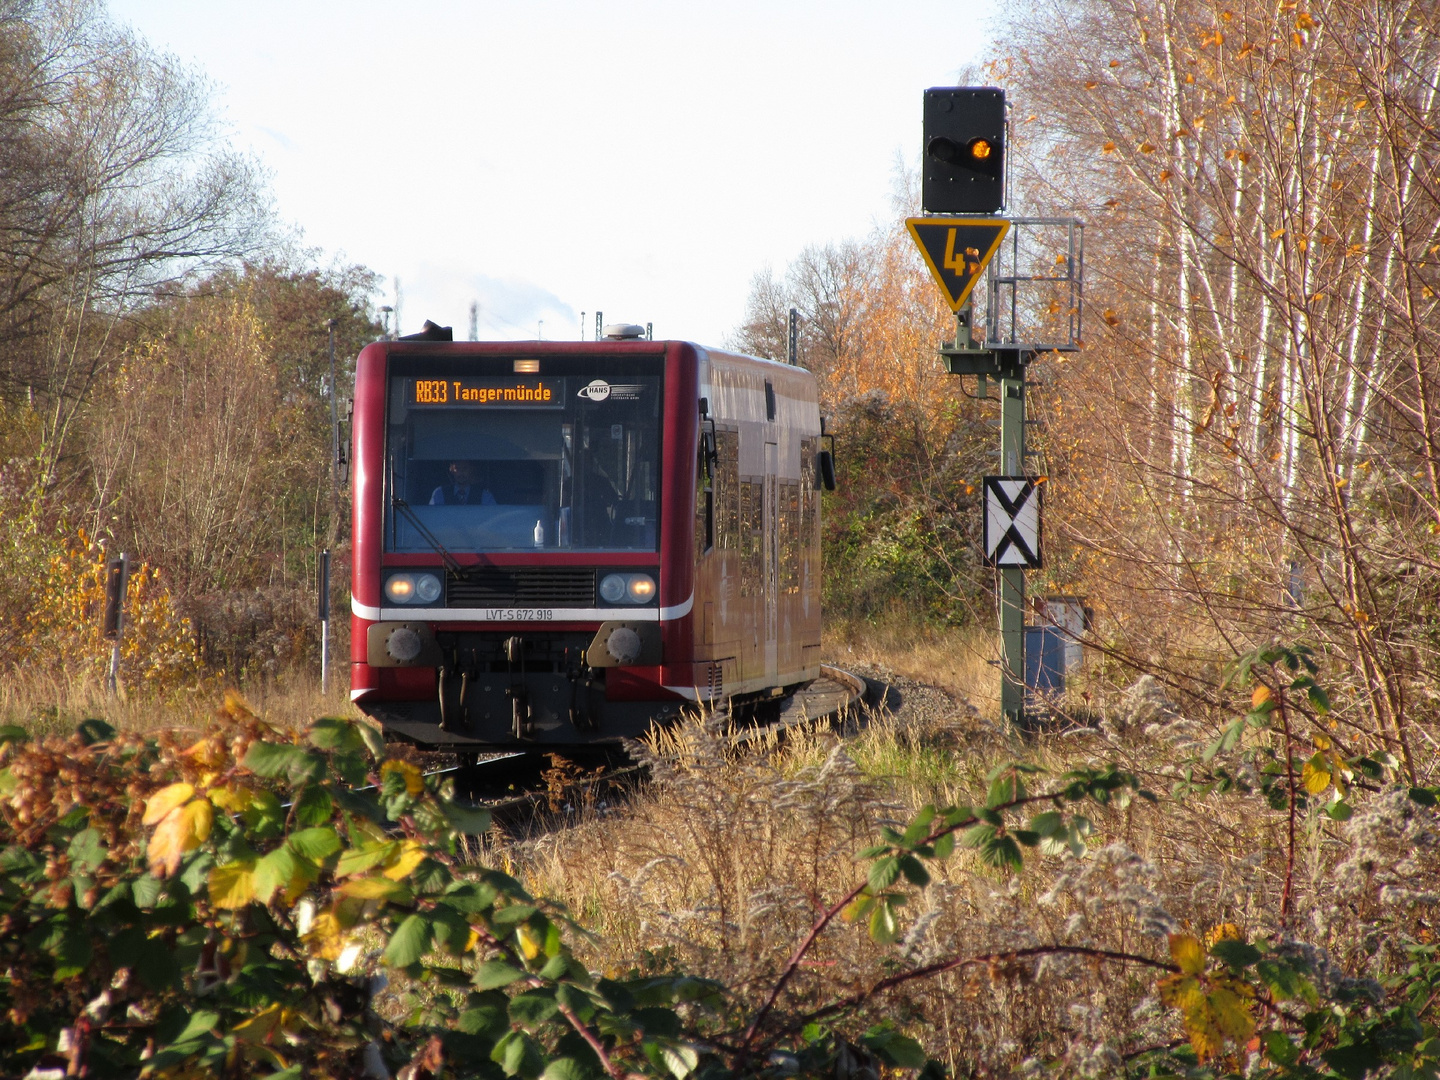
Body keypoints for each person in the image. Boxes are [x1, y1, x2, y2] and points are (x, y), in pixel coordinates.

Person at [430, 461, 495, 505]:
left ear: (470, 470)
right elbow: (433, 516)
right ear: (451, 470)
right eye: (457, 469)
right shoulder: (439, 493)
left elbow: (494, 517)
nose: (461, 473)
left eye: (464, 468)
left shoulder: (485, 496)